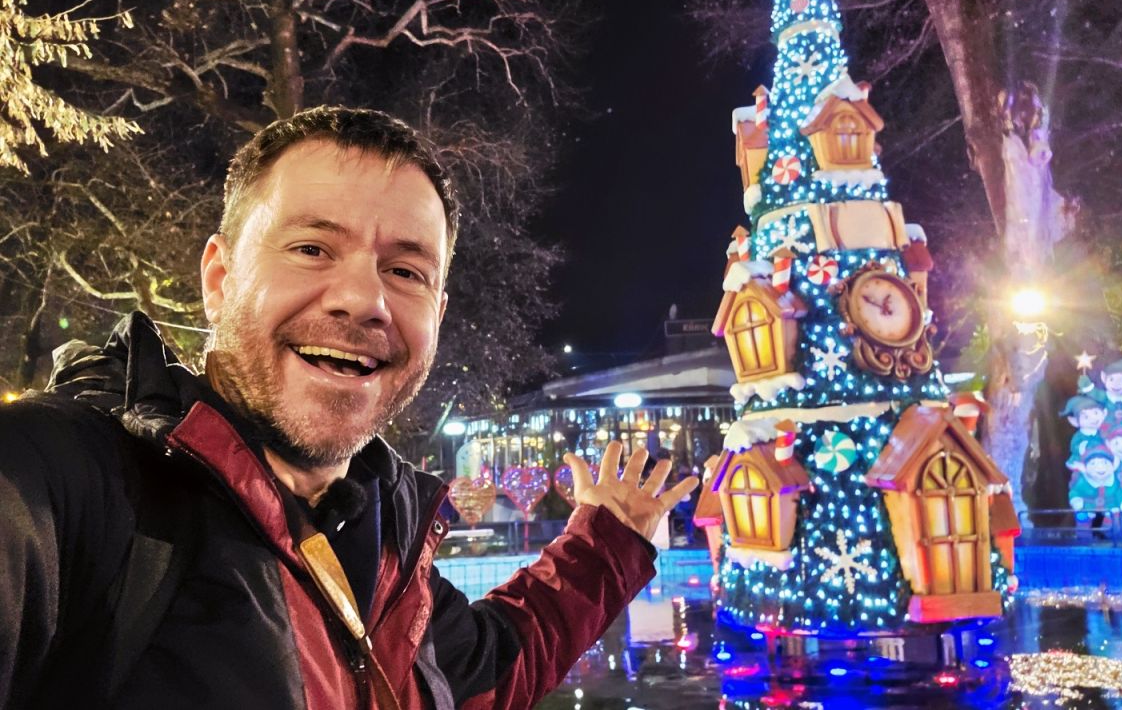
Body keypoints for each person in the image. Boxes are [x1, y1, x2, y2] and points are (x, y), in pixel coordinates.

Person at [0, 106, 698, 709]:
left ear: (438, 313)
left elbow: (485, 674)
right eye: (311, 248)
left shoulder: (384, 535)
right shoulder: (64, 488)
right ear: (219, 279)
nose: (365, 300)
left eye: (406, 271)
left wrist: (608, 543)